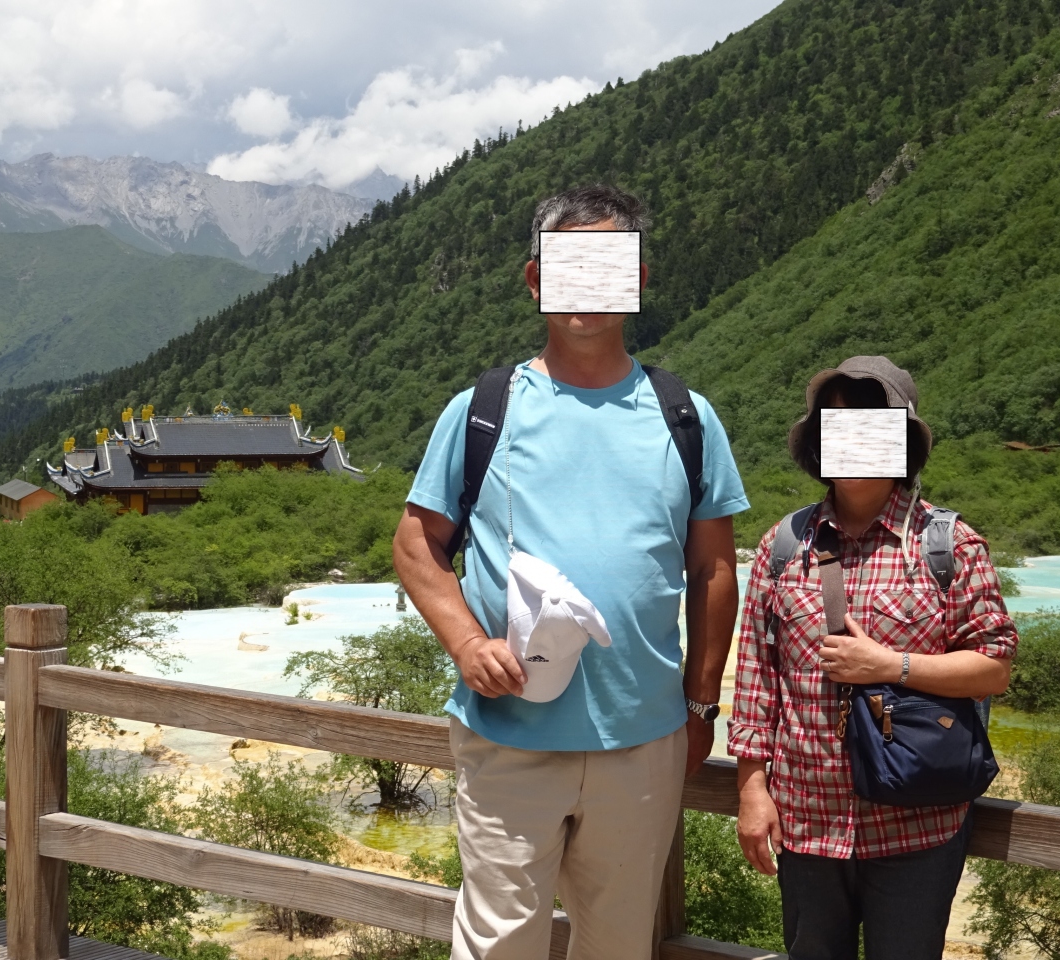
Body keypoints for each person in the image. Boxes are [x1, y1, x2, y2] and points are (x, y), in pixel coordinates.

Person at [393, 184, 749, 959]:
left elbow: (714, 569)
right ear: (535, 280)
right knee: (499, 946)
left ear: (639, 281)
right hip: (507, 733)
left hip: (643, 738)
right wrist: (466, 644)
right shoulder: (482, 409)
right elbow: (417, 544)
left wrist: (700, 704)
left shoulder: (686, 417)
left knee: (618, 944)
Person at [729, 356, 1017, 960]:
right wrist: (752, 791)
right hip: (807, 817)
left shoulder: (949, 546)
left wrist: (891, 666)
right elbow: (757, 681)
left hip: (918, 821)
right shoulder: (783, 547)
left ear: (902, 440)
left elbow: (993, 667)